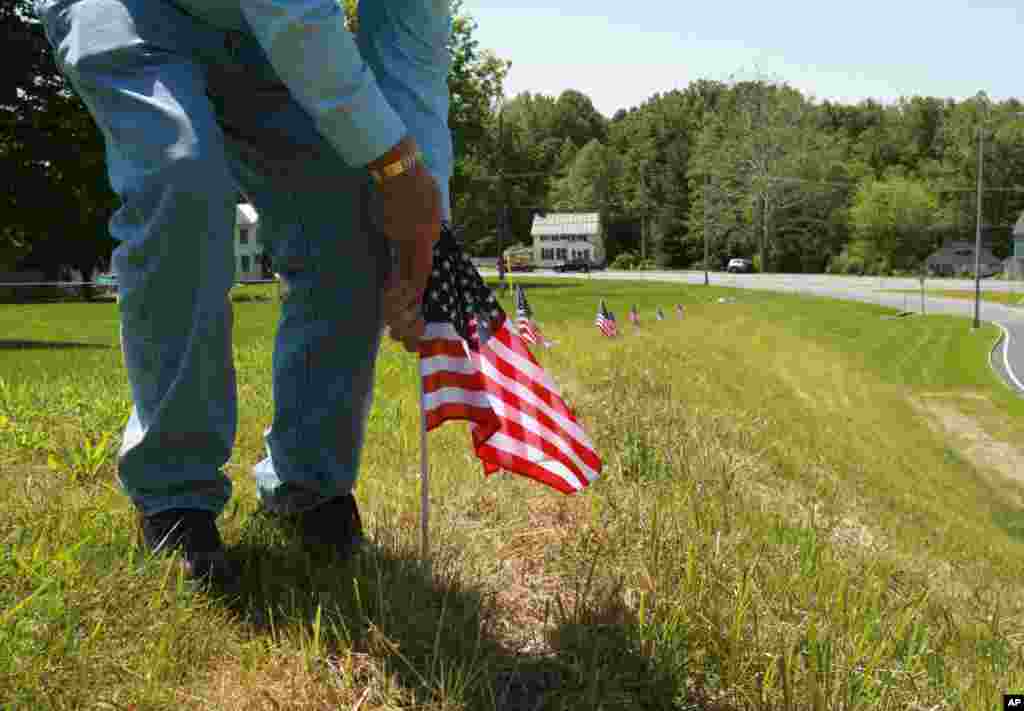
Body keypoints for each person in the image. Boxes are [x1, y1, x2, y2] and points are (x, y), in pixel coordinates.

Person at [32, 0, 452, 582]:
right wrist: (397, 167)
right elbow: (292, 12)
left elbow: (410, 57)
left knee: (352, 209)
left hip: (252, 29)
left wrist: (423, 233)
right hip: (133, 7)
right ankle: (176, 493)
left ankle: (307, 486)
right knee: (182, 172)